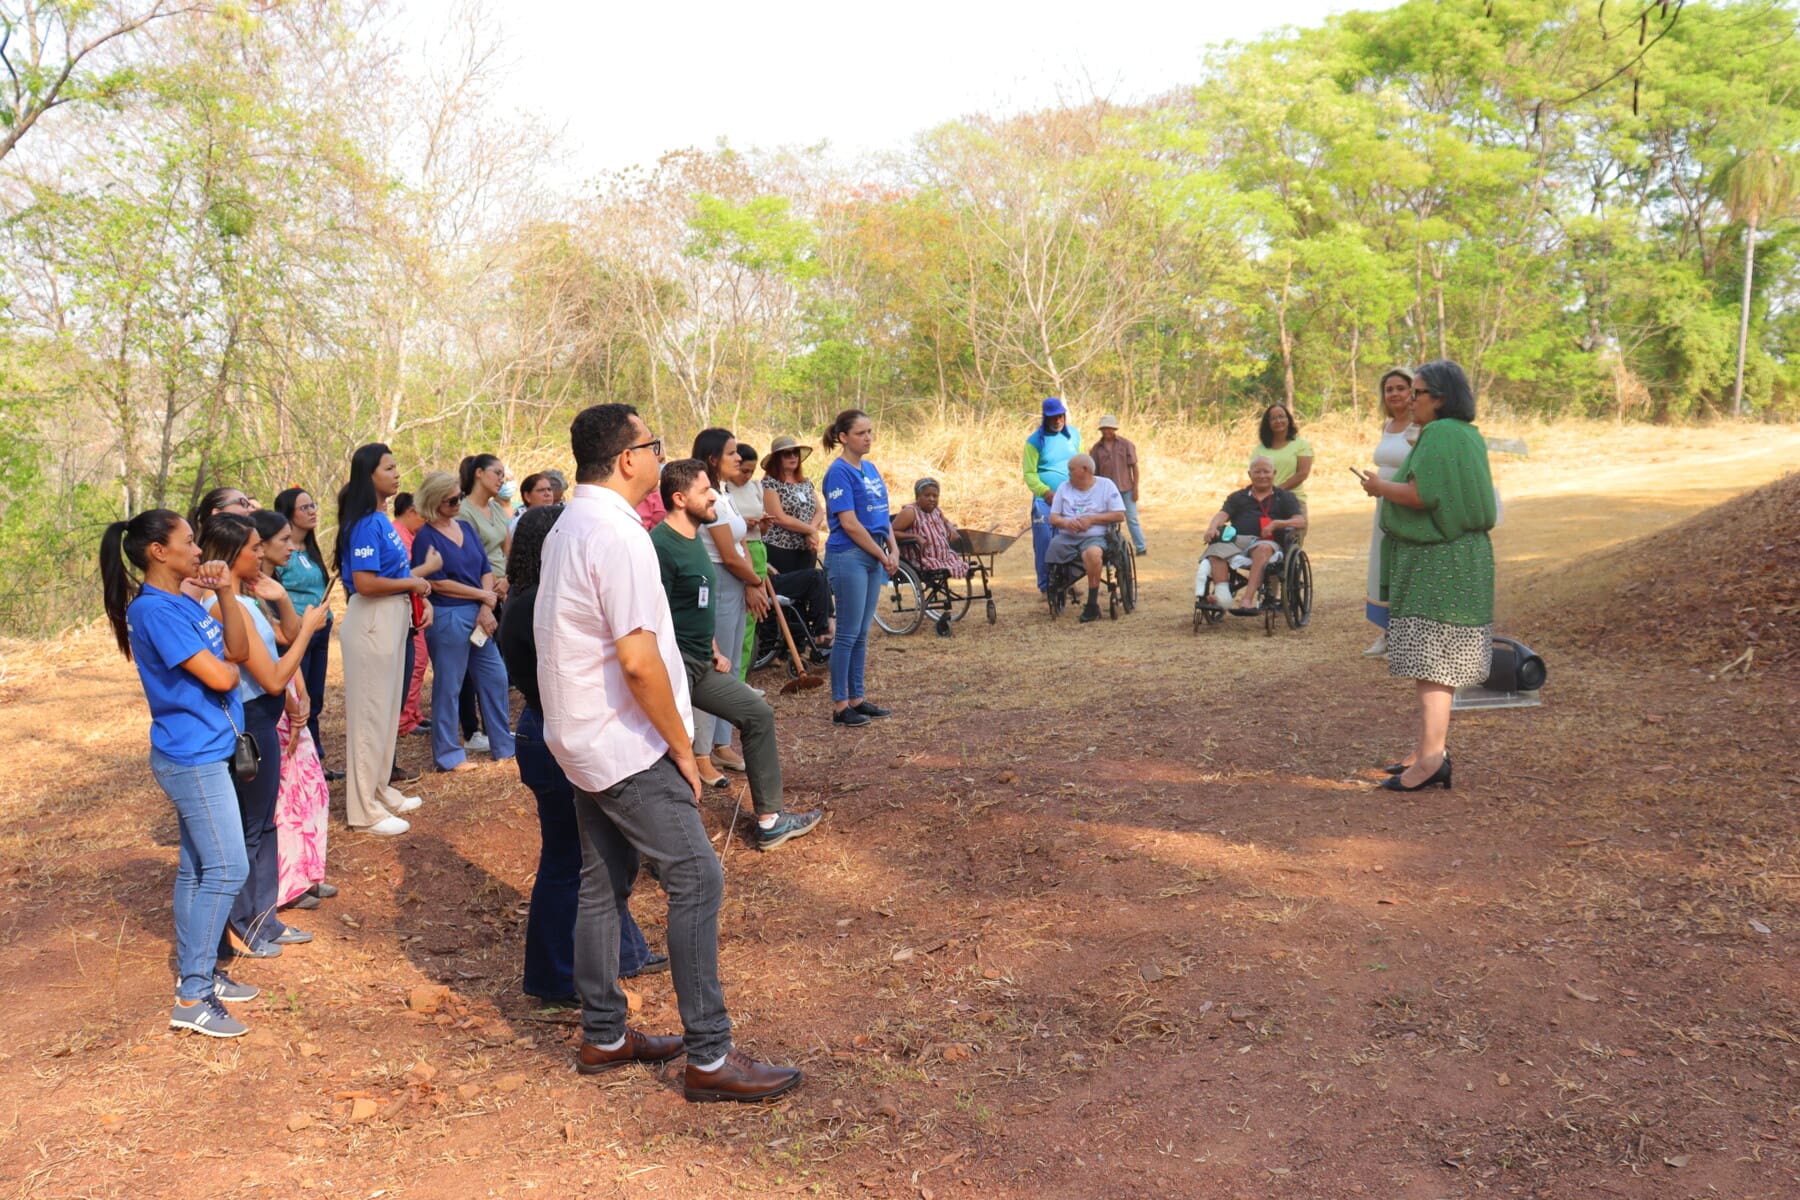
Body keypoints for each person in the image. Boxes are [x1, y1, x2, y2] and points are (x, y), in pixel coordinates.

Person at [535, 401, 801, 1102]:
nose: (661, 455)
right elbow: (638, 661)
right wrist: (684, 751)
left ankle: (603, 1033)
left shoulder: (573, 524)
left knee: (604, 885)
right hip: (626, 742)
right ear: (628, 459)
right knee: (697, 880)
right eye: (653, 445)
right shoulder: (616, 536)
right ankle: (710, 1057)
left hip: (584, 735)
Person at [498, 505, 666, 1006]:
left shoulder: (532, 598)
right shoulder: (533, 605)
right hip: (549, 732)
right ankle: (552, 975)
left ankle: (627, 951)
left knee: (599, 854)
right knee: (567, 861)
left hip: (546, 731)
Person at [100, 509, 257, 1037]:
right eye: (188, 542)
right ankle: (192, 996)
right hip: (190, 758)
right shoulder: (155, 612)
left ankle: (204, 974)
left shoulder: (184, 603)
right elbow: (222, 671)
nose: (199, 550)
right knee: (228, 869)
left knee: (197, 870)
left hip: (208, 750)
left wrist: (229, 592)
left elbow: (237, 650)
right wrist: (228, 670)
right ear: (157, 552)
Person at [651, 457, 823, 848]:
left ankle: (770, 820)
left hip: (699, 663)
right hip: (672, 668)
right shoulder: (660, 547)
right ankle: (671, 845)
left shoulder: (697, 536)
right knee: (666, 753)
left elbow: (695, 602)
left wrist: (712, 648)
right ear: (679, 499)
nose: (714, 495)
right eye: (704, 490)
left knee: (757, 714)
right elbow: (650, 613)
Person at [1356, 359, 1496, 793]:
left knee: (1434, 665)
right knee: (1434, 665)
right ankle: (1427, 751)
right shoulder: (1467, 434)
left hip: (1440, 562)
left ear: (1440, 397)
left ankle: (1431, 761)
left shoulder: (1439, 433)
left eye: (1417, 393)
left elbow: (1424, 495)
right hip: (1461, 559)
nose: (1409, 400)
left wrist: (1381, 488)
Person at [195, 513, 328, 959]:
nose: (261, 554)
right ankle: (245, 922)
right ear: (233, 555)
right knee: (250, 828)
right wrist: (308, 630)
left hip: (266, 719)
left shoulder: (249, 599)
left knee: (266, 823)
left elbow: (282, 639)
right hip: (251, 722)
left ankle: (264, 917)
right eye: (254, 548)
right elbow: (272, 678)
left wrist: (286, 604)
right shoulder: (223, 605)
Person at [335, 443, 434, 836]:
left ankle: (378, 789)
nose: (397, 474)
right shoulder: (363, 522)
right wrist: (413, 582)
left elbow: (392, 576)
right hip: (372, 619)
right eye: (389, 468)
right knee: (370, 715)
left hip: (393, 614)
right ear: (368, 474)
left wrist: (413, 598)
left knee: (387, 710)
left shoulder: (379, 519)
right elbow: (365, 582)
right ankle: (363, 811)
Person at [250, 509, 333, 914]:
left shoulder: (270, 585)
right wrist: (291, 696)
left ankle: (303, 874)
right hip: (272, 701)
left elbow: (285, 638)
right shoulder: (244, 595)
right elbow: (281, 644)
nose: (290, 545)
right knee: (286, 795)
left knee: (307, 789)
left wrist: (300, 691)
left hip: (287, 690)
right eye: (283, 540)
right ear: (259, 545)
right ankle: (286, 882)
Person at [411, 470, 516, 772]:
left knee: (495, 677)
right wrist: (483, 597)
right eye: (451, 500)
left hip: (478, 612)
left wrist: (485, 603)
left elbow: (485, 565)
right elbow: (437, 582)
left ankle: (503, 744)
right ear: (434, 503)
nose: (457, 502)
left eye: (458, 496)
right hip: (448, 615)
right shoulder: (425, 538)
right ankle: (448, 754)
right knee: (450, 685)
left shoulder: (466, 528)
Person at [690, 429, 769, 769]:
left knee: (734, 665)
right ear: (712, 459)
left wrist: (754, 583)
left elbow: (743, 543)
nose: (739, 458)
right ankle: (702, 750)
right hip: (720, 580)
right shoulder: (707, 496)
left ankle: (723, 743)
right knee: (717, 666)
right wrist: (753, 581)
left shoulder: (726, 493)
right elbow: (727, 552)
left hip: (737, 581)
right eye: (732, 453)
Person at [821, 409, 897, 728]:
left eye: (870, 432)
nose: (867, 438)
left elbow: (882, 514)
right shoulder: (838, 472)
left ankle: (857, 699)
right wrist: (881, 555)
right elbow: (849, 524)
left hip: (873, 552)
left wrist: (892, 547)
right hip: (849, 555)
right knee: (847, 633)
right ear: (843, 437)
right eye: (860, 433)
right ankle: (840, 706)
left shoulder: (869, 467)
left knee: (862, 633)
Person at [272, 488, 336, 777]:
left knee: (316, 698)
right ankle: (302, 764)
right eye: (304, 507)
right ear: (288, 514)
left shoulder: (310, 550)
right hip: (297, 633)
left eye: (313, 504)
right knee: (301, 697)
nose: (312, 511)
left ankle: (316, 760)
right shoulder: (280, 558)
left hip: (321, 630)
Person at [1200, 458, 1306, 613]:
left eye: (1266, 471)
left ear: (1274, 473)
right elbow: (1223, 514)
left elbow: (1300, 521)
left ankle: (1247, 599)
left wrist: (1276, 524)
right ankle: (1222, 597)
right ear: (1250, 474)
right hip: (1238, 542)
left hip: (1267, 544)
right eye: (1257, 472)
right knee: (1216, 550)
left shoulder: (1284, 497)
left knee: (1262, 548)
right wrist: (1212, 527)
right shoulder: (1238, 497)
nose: (1262, 475)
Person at [458, 454, 512, 754]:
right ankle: (471, 730)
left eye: (504, 474)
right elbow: (473, 559)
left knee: (497, 667)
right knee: (470, 667)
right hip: (477, 595)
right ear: (478, 474)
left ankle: (498, 729)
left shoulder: (495, 508)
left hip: (501, 591)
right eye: (497, 473)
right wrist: (488, 593)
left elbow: (506, 551)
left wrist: (506, 581)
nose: (502, 479)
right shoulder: (463, 512)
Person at [1364, 368, 1418, 657]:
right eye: (1389, 389)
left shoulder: (1419, 426)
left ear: (1412, 391)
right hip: (1383, 503)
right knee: (1383, 565)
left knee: (1404, 565)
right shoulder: (1387, 426)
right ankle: (1387, 632)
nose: (1395, 393)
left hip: (1407, 503)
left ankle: (1406, 636)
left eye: (1401, 387)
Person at [761, 435, 833, 645]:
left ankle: (802, 643)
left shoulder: (805, 482)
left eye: (795, 453)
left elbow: (819, 511)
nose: (793, 457)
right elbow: (779, 517)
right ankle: (780, 645)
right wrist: (810, 531)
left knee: (807, 594)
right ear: (777, 458)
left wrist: (811, 531)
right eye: (786, 454)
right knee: (786, 597)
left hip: (805, 550)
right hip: (780, 550)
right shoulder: (770, 484)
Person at [1045, 455, 1126, 624]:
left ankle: (1092, 604)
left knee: (1093, 553)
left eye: (1071, 470)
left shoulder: (1106, 485)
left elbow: (1119, 515)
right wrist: (1067, 523)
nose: (1068, 474)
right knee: (1053, 548)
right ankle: (1057, 589)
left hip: (1096, 536)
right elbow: (1053, 518)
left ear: (1085, 470)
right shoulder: (1064, 488)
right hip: (1067, 537)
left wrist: (1091, 519)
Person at [1023, 397, 1081, 593]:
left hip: (1071, 497)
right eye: (1053, 417)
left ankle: (1069, 581)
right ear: (1045, 418)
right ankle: (1046, 587)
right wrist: (1045, 491)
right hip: (1044, 501)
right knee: (1045, 541)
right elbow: (1029, 473)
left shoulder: (1073, 435)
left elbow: (1081, 462)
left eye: (1060, 416)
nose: (1057, 421)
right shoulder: (1034, 442)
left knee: (1071, 537)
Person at [723, 442, 769, 681]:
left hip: (757, 548)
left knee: (751, 622)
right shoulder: (724, 491)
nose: (747, 476)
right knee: (736, 619)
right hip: (737, 550)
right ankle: (732, 681)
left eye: (751, 471)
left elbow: (762, 527)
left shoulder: (756, 488)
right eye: (744, 470)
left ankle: (741, 678)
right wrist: (744, 523)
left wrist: (762, 525)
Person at [391, 493, 431, 739]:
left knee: (419, 660)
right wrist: (429, 567)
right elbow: (402, 576)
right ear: (412, 511)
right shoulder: (397, 536)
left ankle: (412, 713)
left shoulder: (409, 535)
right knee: (415, 661)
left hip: (416, 607)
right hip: (405, 609)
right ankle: (404, 720)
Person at [1090, 414, 1147, 556]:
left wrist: (1136, 488)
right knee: (1107, 522)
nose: (1107, 431)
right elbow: (1094, 473)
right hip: (1106, 492)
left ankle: (1140, 547)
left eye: (1110, 428)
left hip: (1126, 488)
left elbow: (1134, 467)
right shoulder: (1096, 449)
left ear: (1114, 429)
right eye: (1104, 429)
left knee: (1132, 518)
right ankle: (1110, 549)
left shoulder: (1126, 444)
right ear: (1101, 430)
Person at [1253, 403, 1314, 530]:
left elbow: (1302, 473)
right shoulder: (1260, 449)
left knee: (1291, 545)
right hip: (1265, 503)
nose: (1278, 421)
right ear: (1267, 423)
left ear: (1288, 419)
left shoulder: (1301, 445)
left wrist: (1276, 492)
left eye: (1282, 416)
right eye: (1273, 418)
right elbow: (1255, 474)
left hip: (1294, 502)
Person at [891, 478, 968, 579]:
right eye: (927, 495)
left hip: (944, 558)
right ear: (918, 497)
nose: (932, 499)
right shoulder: (910, 512)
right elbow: (891, 532)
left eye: (935, 496)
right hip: (922, 560)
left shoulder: (936, 511)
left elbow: (946, 521)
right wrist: (915, 536)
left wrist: (951, 528)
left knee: (964, 565)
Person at [189, 486, 254, 532]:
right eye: (243, 503)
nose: (252, 510)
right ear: (218, 513)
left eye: (250, 506)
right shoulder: (197, 551)